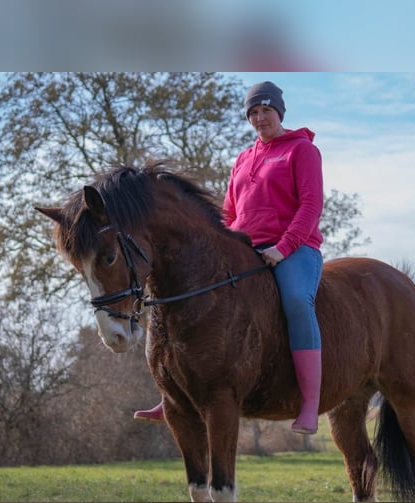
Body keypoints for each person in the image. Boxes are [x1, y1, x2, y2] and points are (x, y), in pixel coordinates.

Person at [134, 80, 324, 434]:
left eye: (266, 110)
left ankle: (310, 403)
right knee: (188, 302)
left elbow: (311, 206)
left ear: (279, 112)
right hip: (245, 250)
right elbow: (230, 212)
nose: (259, 117)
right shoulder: (243, 158)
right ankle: (171, 393)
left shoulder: (302, 151)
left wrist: (282, 248)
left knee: (297, 301)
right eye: (253, 112)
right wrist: (219, 247)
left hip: (295, 249)